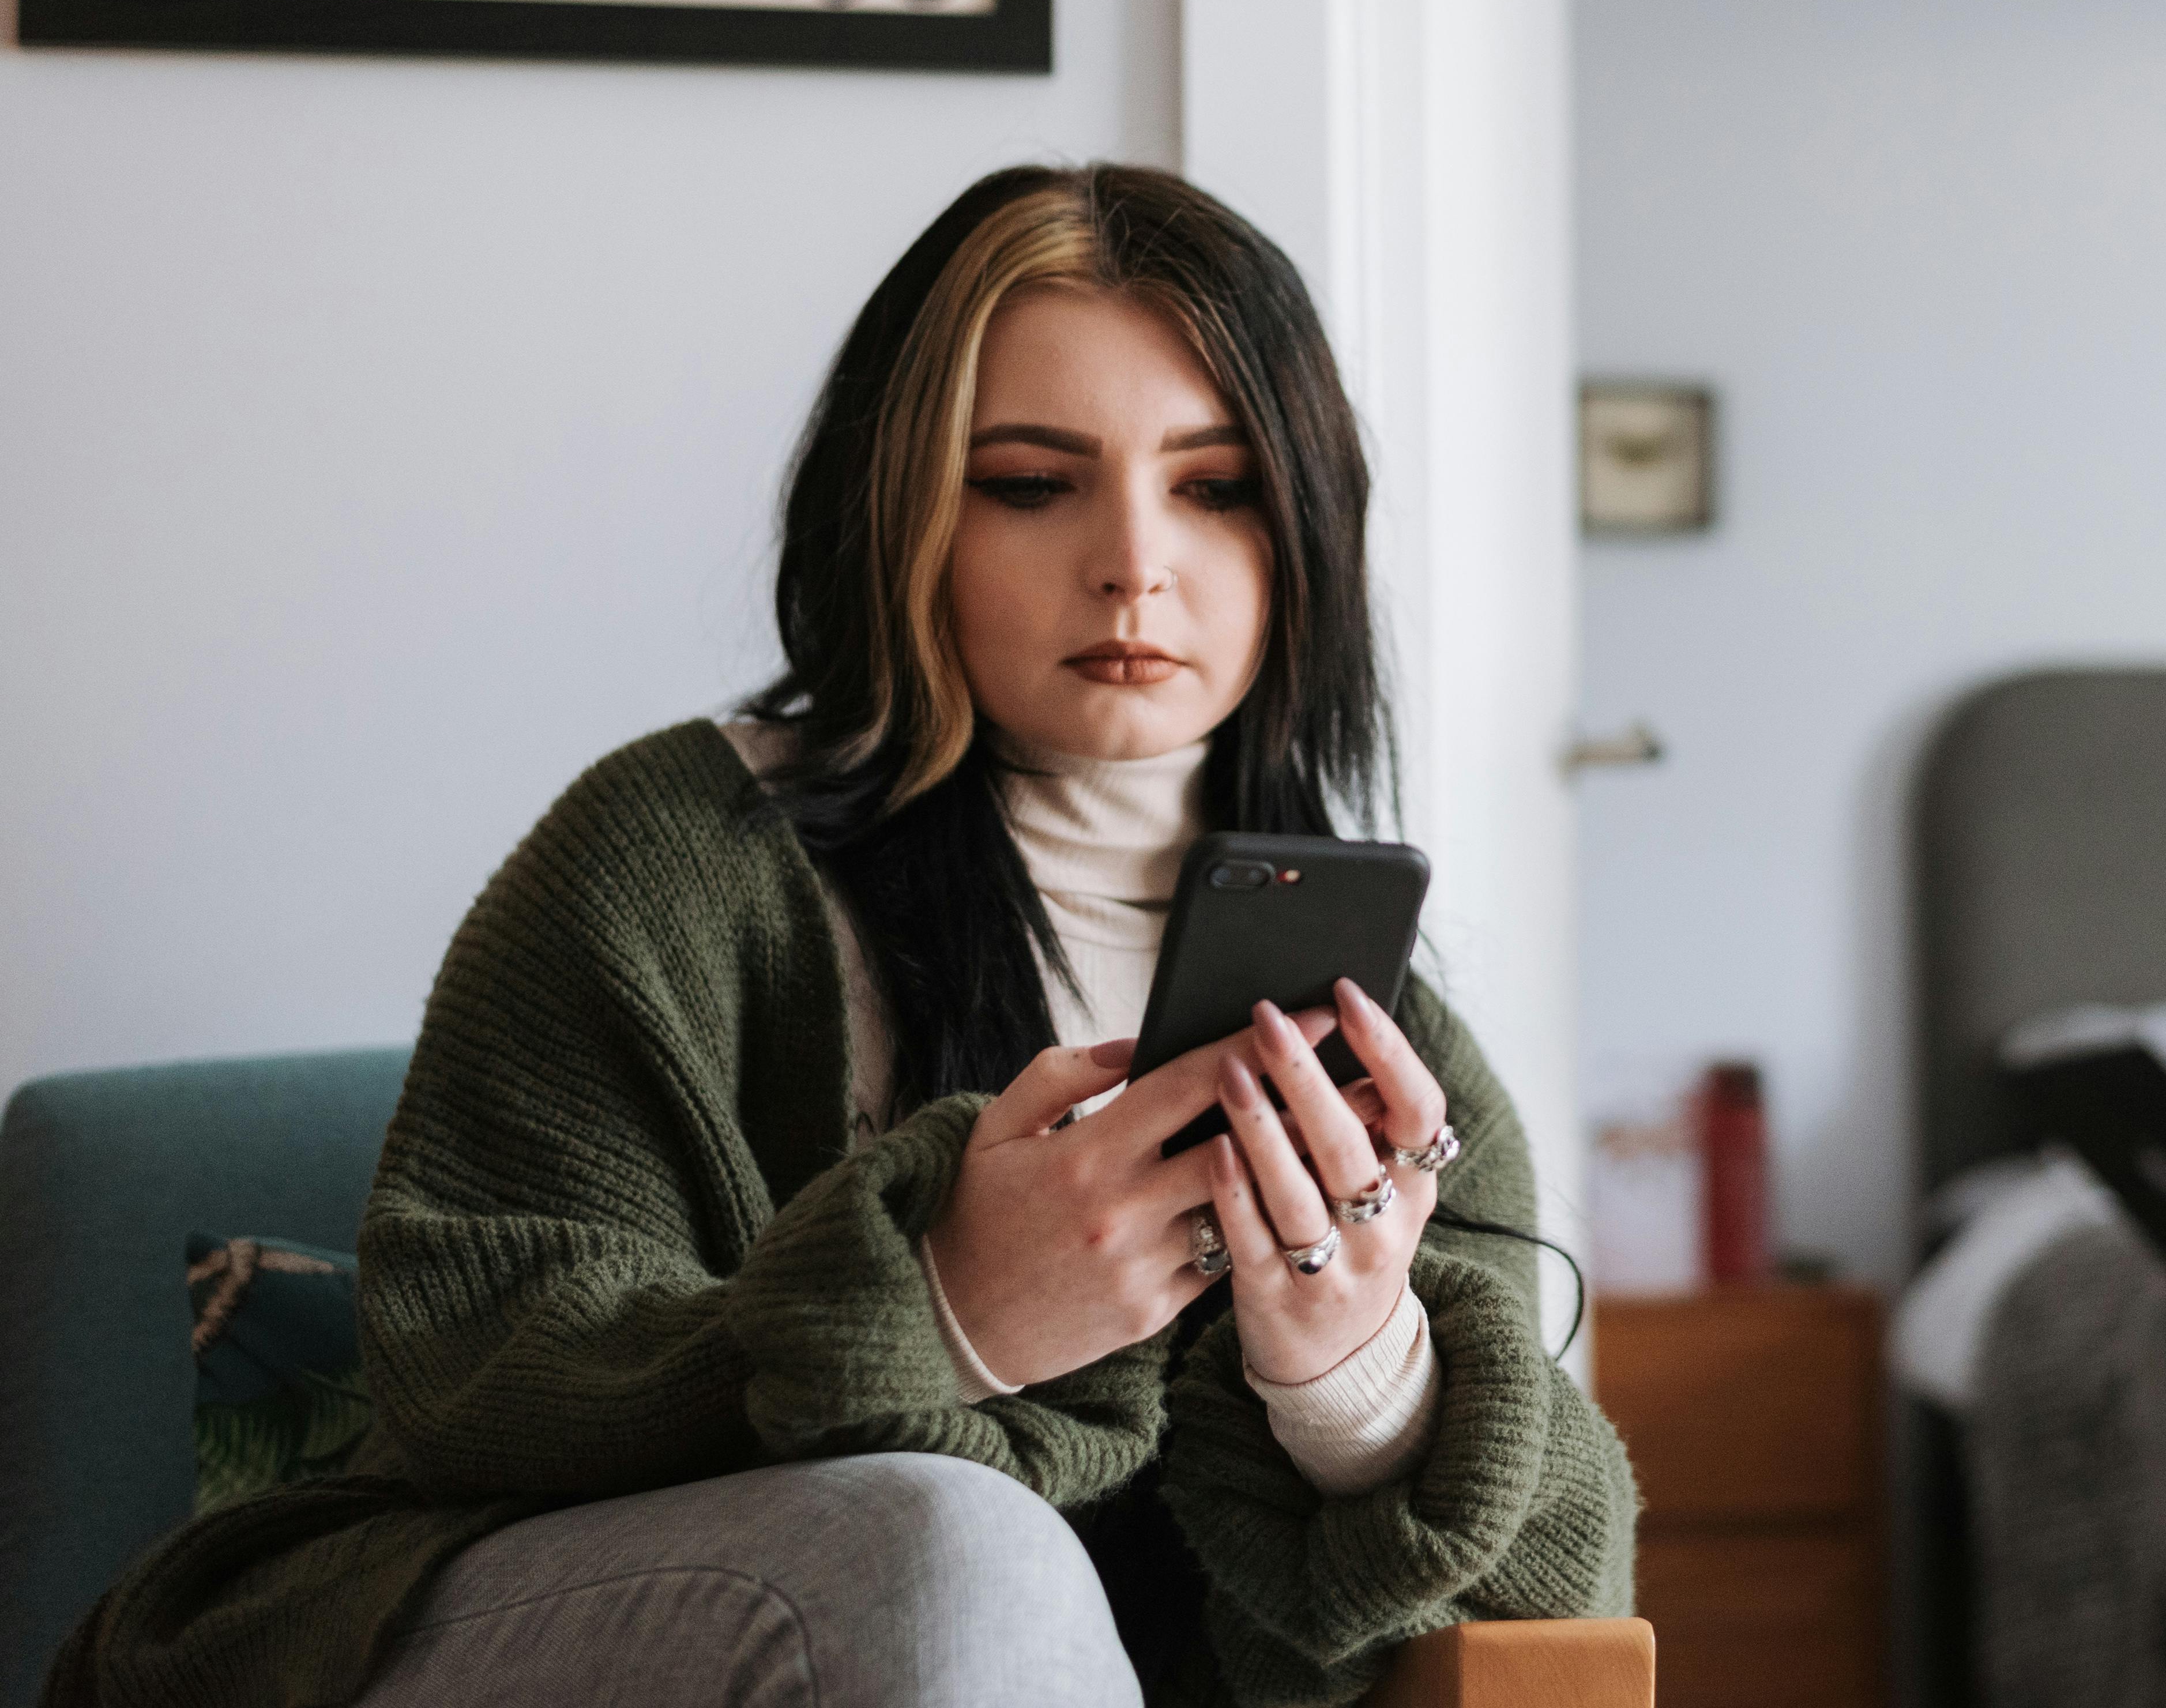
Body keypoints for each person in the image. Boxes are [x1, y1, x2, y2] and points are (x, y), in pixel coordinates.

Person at [50, 165, 1638, 1708]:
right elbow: (470, 1371)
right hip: (534, 1624)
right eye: (1029, 480)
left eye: (1213, 485)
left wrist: (1357, 1381)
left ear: (1299, 530)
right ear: (902, 508)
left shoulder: (1371, 1019)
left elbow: (1567, 1602)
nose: (1135, 562)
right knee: (948, 1543)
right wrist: (947, 1305)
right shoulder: (675, 849)